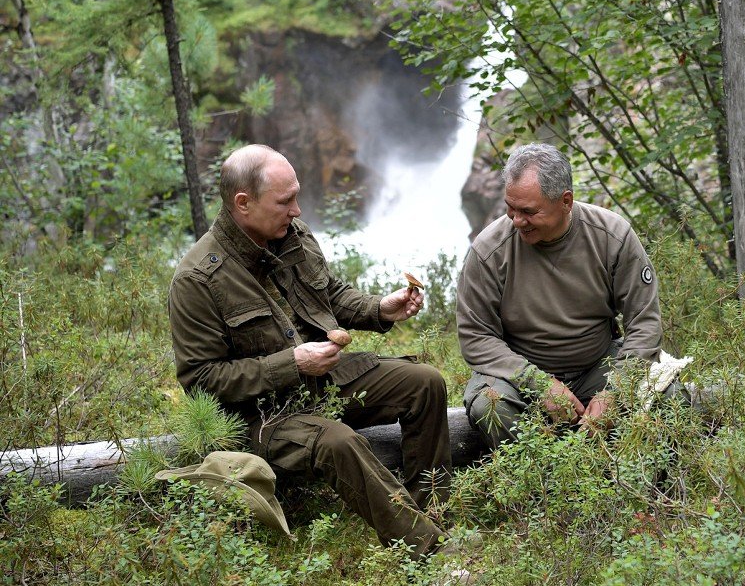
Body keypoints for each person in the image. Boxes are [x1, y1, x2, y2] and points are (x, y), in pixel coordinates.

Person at [168, 144, 450, 556]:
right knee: (339, 442)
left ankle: (433, 511)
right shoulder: (197, 279)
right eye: (286, 201)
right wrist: (293, 363)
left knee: (424, 382)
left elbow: (328, 294)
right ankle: (426, 548)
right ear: (243, 204)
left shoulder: (289, 233)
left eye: (296, 196)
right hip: (264, 416)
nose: (298, 210)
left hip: (324, 384)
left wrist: (378, 309)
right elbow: (201, 380)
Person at [456, 142, 672, 449]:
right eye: (510, 207)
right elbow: (475, 336)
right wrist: (539, 383)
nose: (516, 221)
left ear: (565, 201)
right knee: (488, 405)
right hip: (520, 378)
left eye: (528, 211)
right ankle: (541, 483)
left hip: (597, 366)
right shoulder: (488, 250)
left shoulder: (613, 236)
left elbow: (645, 323)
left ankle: (620, 476)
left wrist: (615, 392)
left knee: (667, 392)